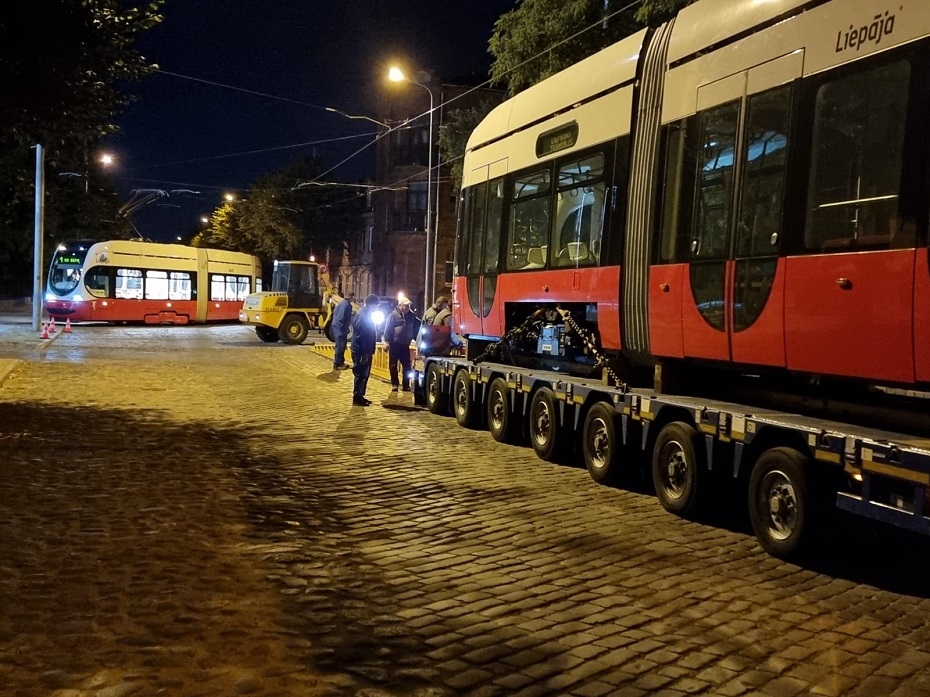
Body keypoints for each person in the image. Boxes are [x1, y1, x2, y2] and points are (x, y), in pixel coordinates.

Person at [349, 294, 380, 406]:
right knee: (360, 374)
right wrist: (365, 353)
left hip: (363, 350)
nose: (376, 308)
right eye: (375, 306)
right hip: (361, 351)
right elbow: (361, 336)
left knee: (364, 374)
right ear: (371, 305)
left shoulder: (365, 314)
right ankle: (357, 397)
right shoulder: (363, 316)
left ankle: (360, 395)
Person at [382, 297, 418, 391]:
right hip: (395, 344)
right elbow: (388, 329)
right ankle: (395, 384)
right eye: (406, 305)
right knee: (393, 365)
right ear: (400, 305)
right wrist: (387, 342)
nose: (407, 307)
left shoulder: (411, 316)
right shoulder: (393, 315)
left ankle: (406, 385)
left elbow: (415, 327)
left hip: (405, 344)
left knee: (406, 365)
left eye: (408, 305)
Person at [331, 291, 355, 370]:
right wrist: (342, 329)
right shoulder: (345, 305)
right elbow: (341, 317)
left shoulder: (343, 303)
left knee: (341, 345)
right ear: (351, 297)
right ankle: (338, 364)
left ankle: (340, 361)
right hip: (340, 328)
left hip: (338, 327)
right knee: (340, 346)